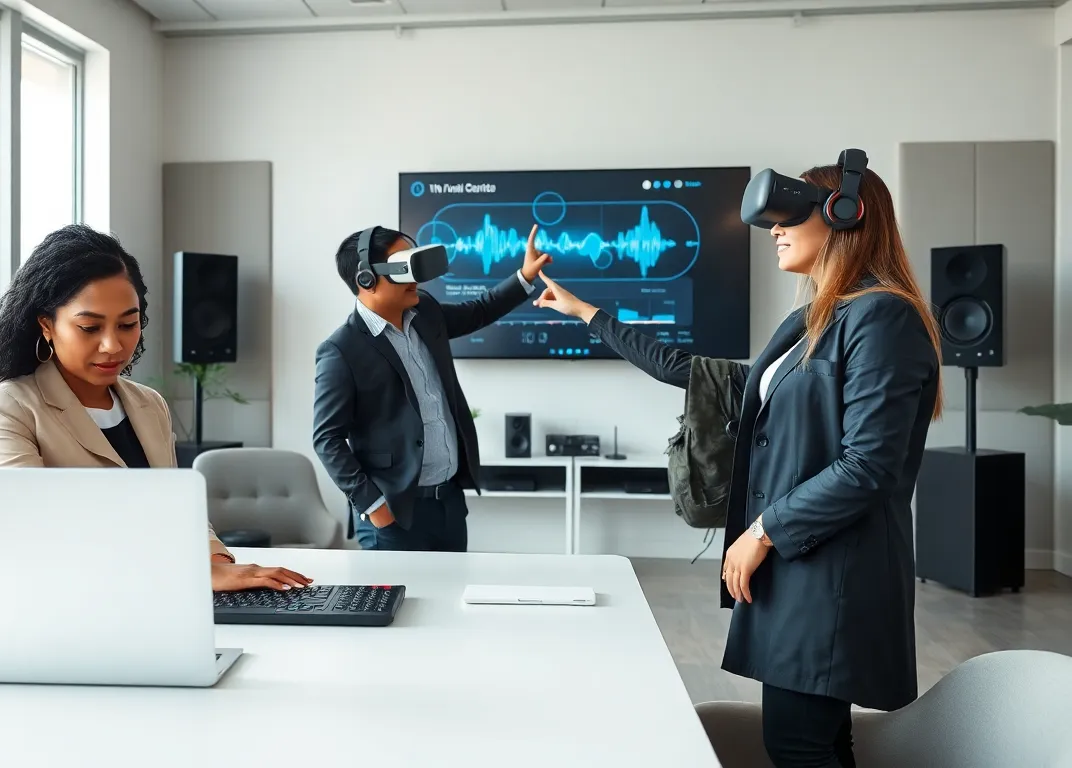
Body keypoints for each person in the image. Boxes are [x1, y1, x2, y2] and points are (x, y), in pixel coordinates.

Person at [533, 158, 942, 767]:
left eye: (788, 216)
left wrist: (763, 531)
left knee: (797, 743)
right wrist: (589, 315)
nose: (774, 230)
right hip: (801, 568)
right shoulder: (812, 324)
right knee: (817, 741)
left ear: (844, 214)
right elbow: (695, 375)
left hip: (831, 574)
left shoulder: (881, 316)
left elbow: (869, 465)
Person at [0, 223, 311, 593]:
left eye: (128, 324)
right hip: (71, 605)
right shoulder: (8, 407)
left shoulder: (149, 404)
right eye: (89, 327)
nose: (112, 345)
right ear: (46, 325)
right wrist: (192, 574)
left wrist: (217, 567)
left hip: (161, 597)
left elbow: (180, 512)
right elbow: (32, 533)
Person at [313, 225, 551, 551]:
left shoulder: (425, 312)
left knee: (452, 600)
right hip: (394, 514)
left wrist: (524, 276)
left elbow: (480, 310)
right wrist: (373, 506)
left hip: (449, 505)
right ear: (366, 279)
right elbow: (327, 439)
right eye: (403, 266)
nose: (417, 278)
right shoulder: (341, 350)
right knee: (401, 603)